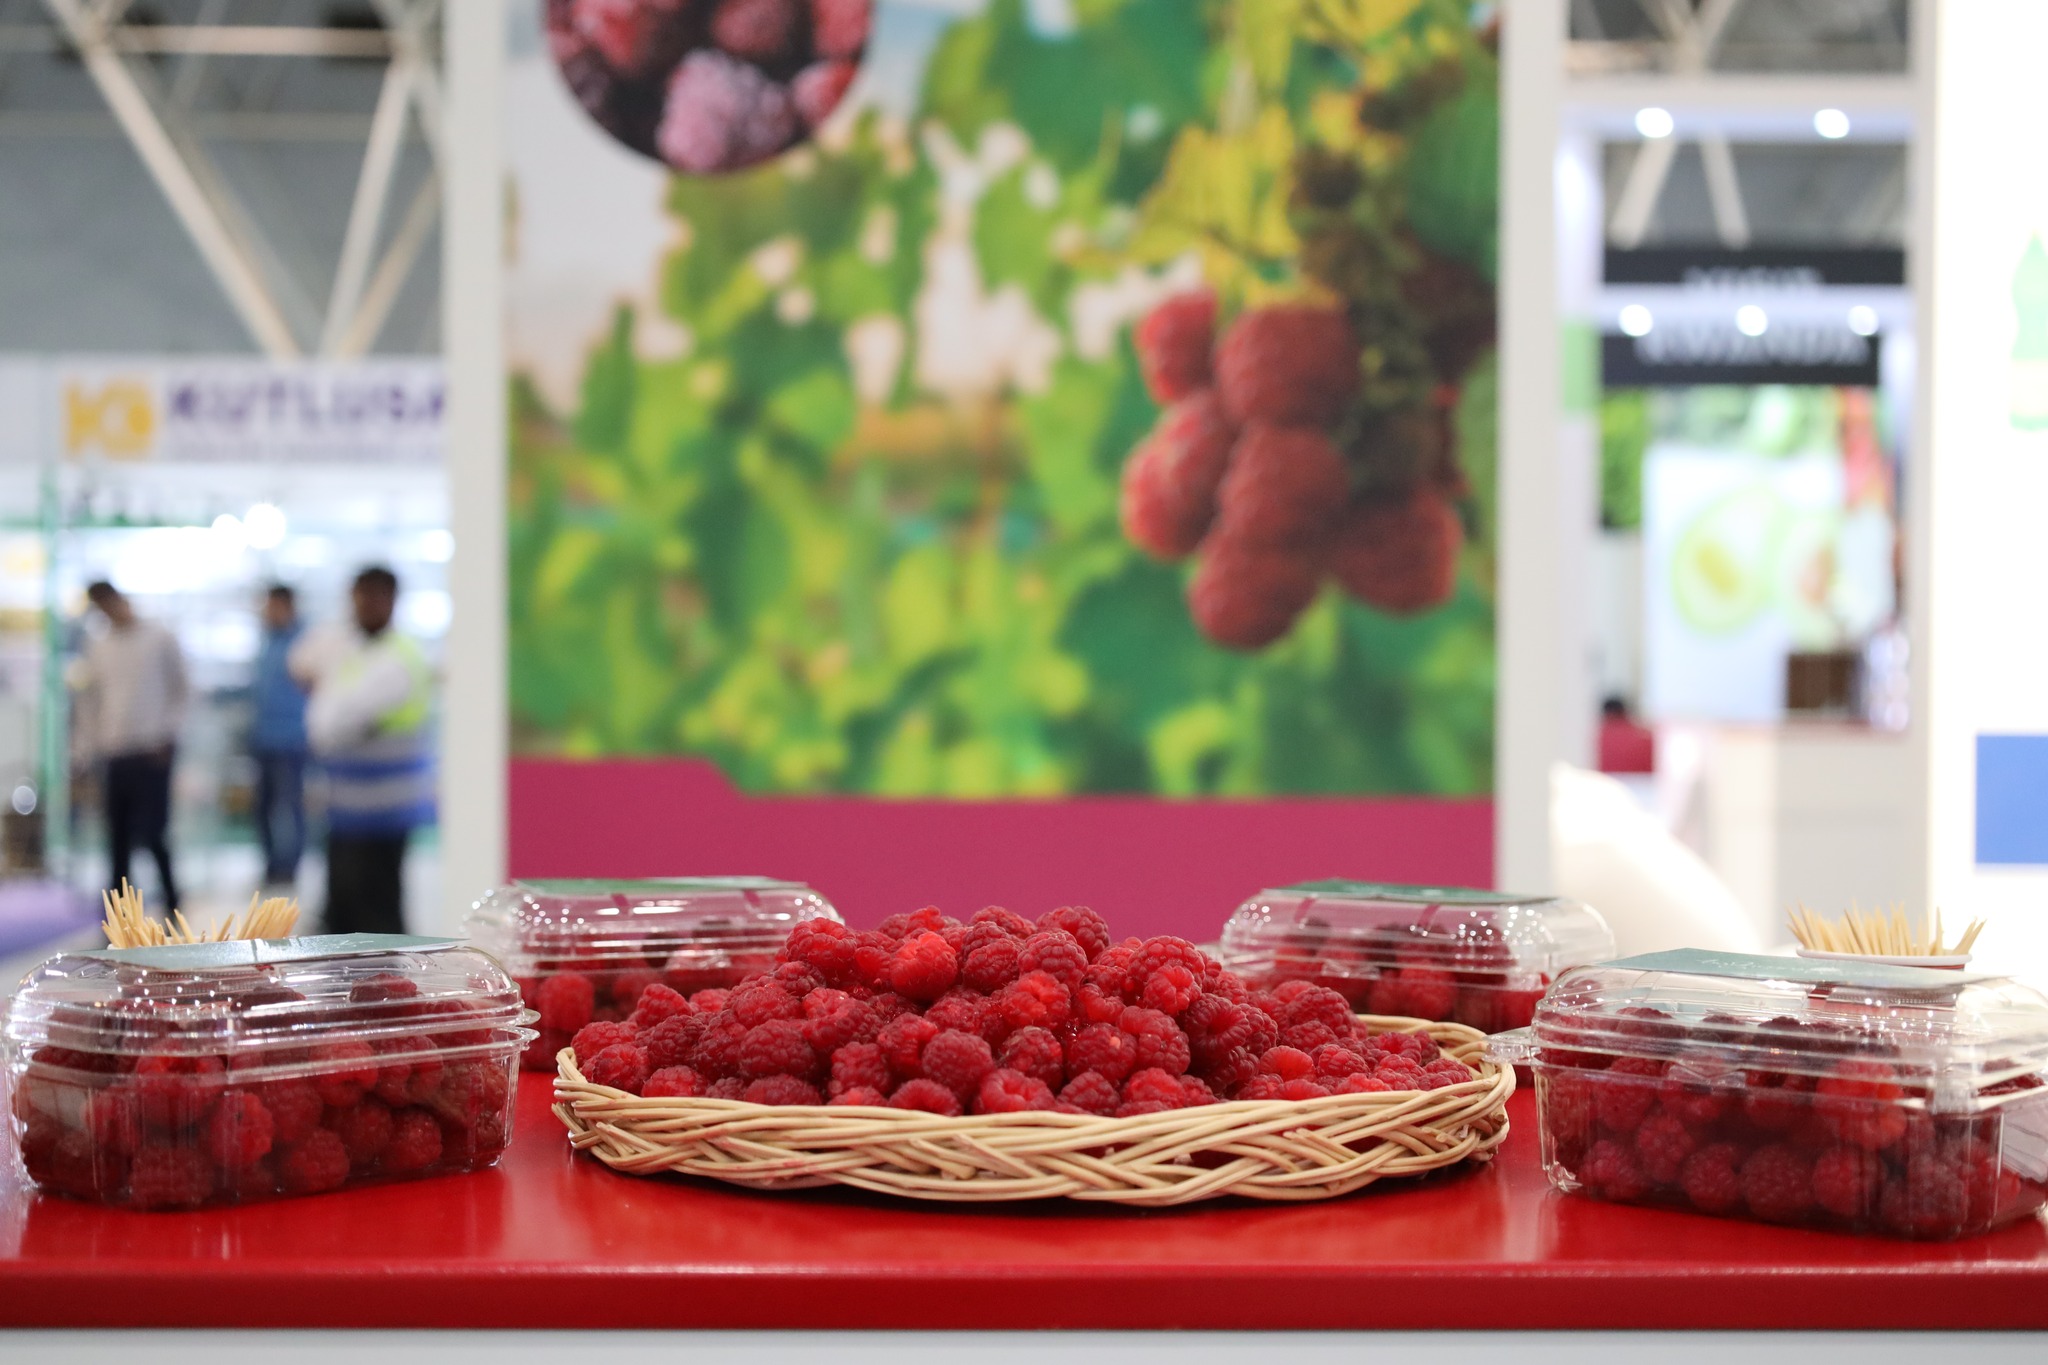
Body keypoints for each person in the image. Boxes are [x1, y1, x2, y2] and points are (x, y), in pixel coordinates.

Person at [291, 567, 433, 935]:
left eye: (375, 596)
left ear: (392, 600)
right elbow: (304, 672)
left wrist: (326, 703)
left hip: (385, 811)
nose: (366, 605)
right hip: (347, 808)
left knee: (377, 912)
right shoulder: (355, 650)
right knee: (342, 905)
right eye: (360, 596)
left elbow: (328, 725)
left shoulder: (396, 658)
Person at [75, 582, 188, 909]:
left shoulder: (159, 638)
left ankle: (172, 904)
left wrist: (168, 734)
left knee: (154, 833)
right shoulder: (98, 645)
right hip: (115, 752)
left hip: (152, 750)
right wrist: (87, 747)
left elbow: (182, 689)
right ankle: (118, 913)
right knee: (117, 838)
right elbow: (90, 701)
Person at [250, 584, 309, 891]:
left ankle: (289, 868)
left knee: (290, 807)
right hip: (265, 739)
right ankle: (271, 865)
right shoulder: (267, 643)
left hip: (292, 740)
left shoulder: (304, 644)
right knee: (263, 809)